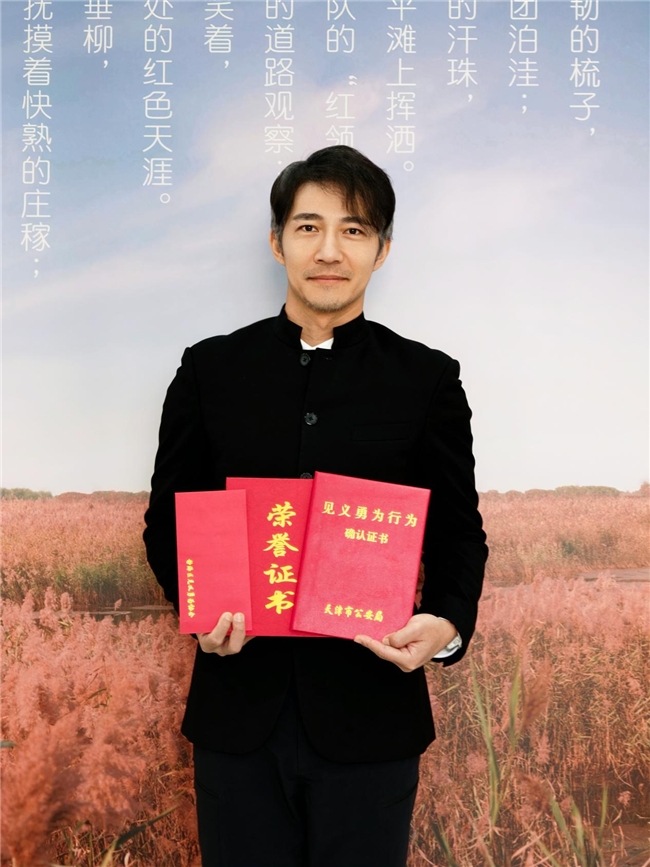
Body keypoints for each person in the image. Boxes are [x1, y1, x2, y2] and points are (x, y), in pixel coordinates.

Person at [143, 144, 488, 867]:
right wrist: (200, 613)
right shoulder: (210, 369)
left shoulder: (426, 379)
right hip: (238, 716)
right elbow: (167, 519)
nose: (329, 250)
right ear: (277, 242)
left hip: (373, 717)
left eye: (354, 230)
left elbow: (459, 532)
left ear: (382, 250)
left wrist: (446, 624)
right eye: (308, 227)